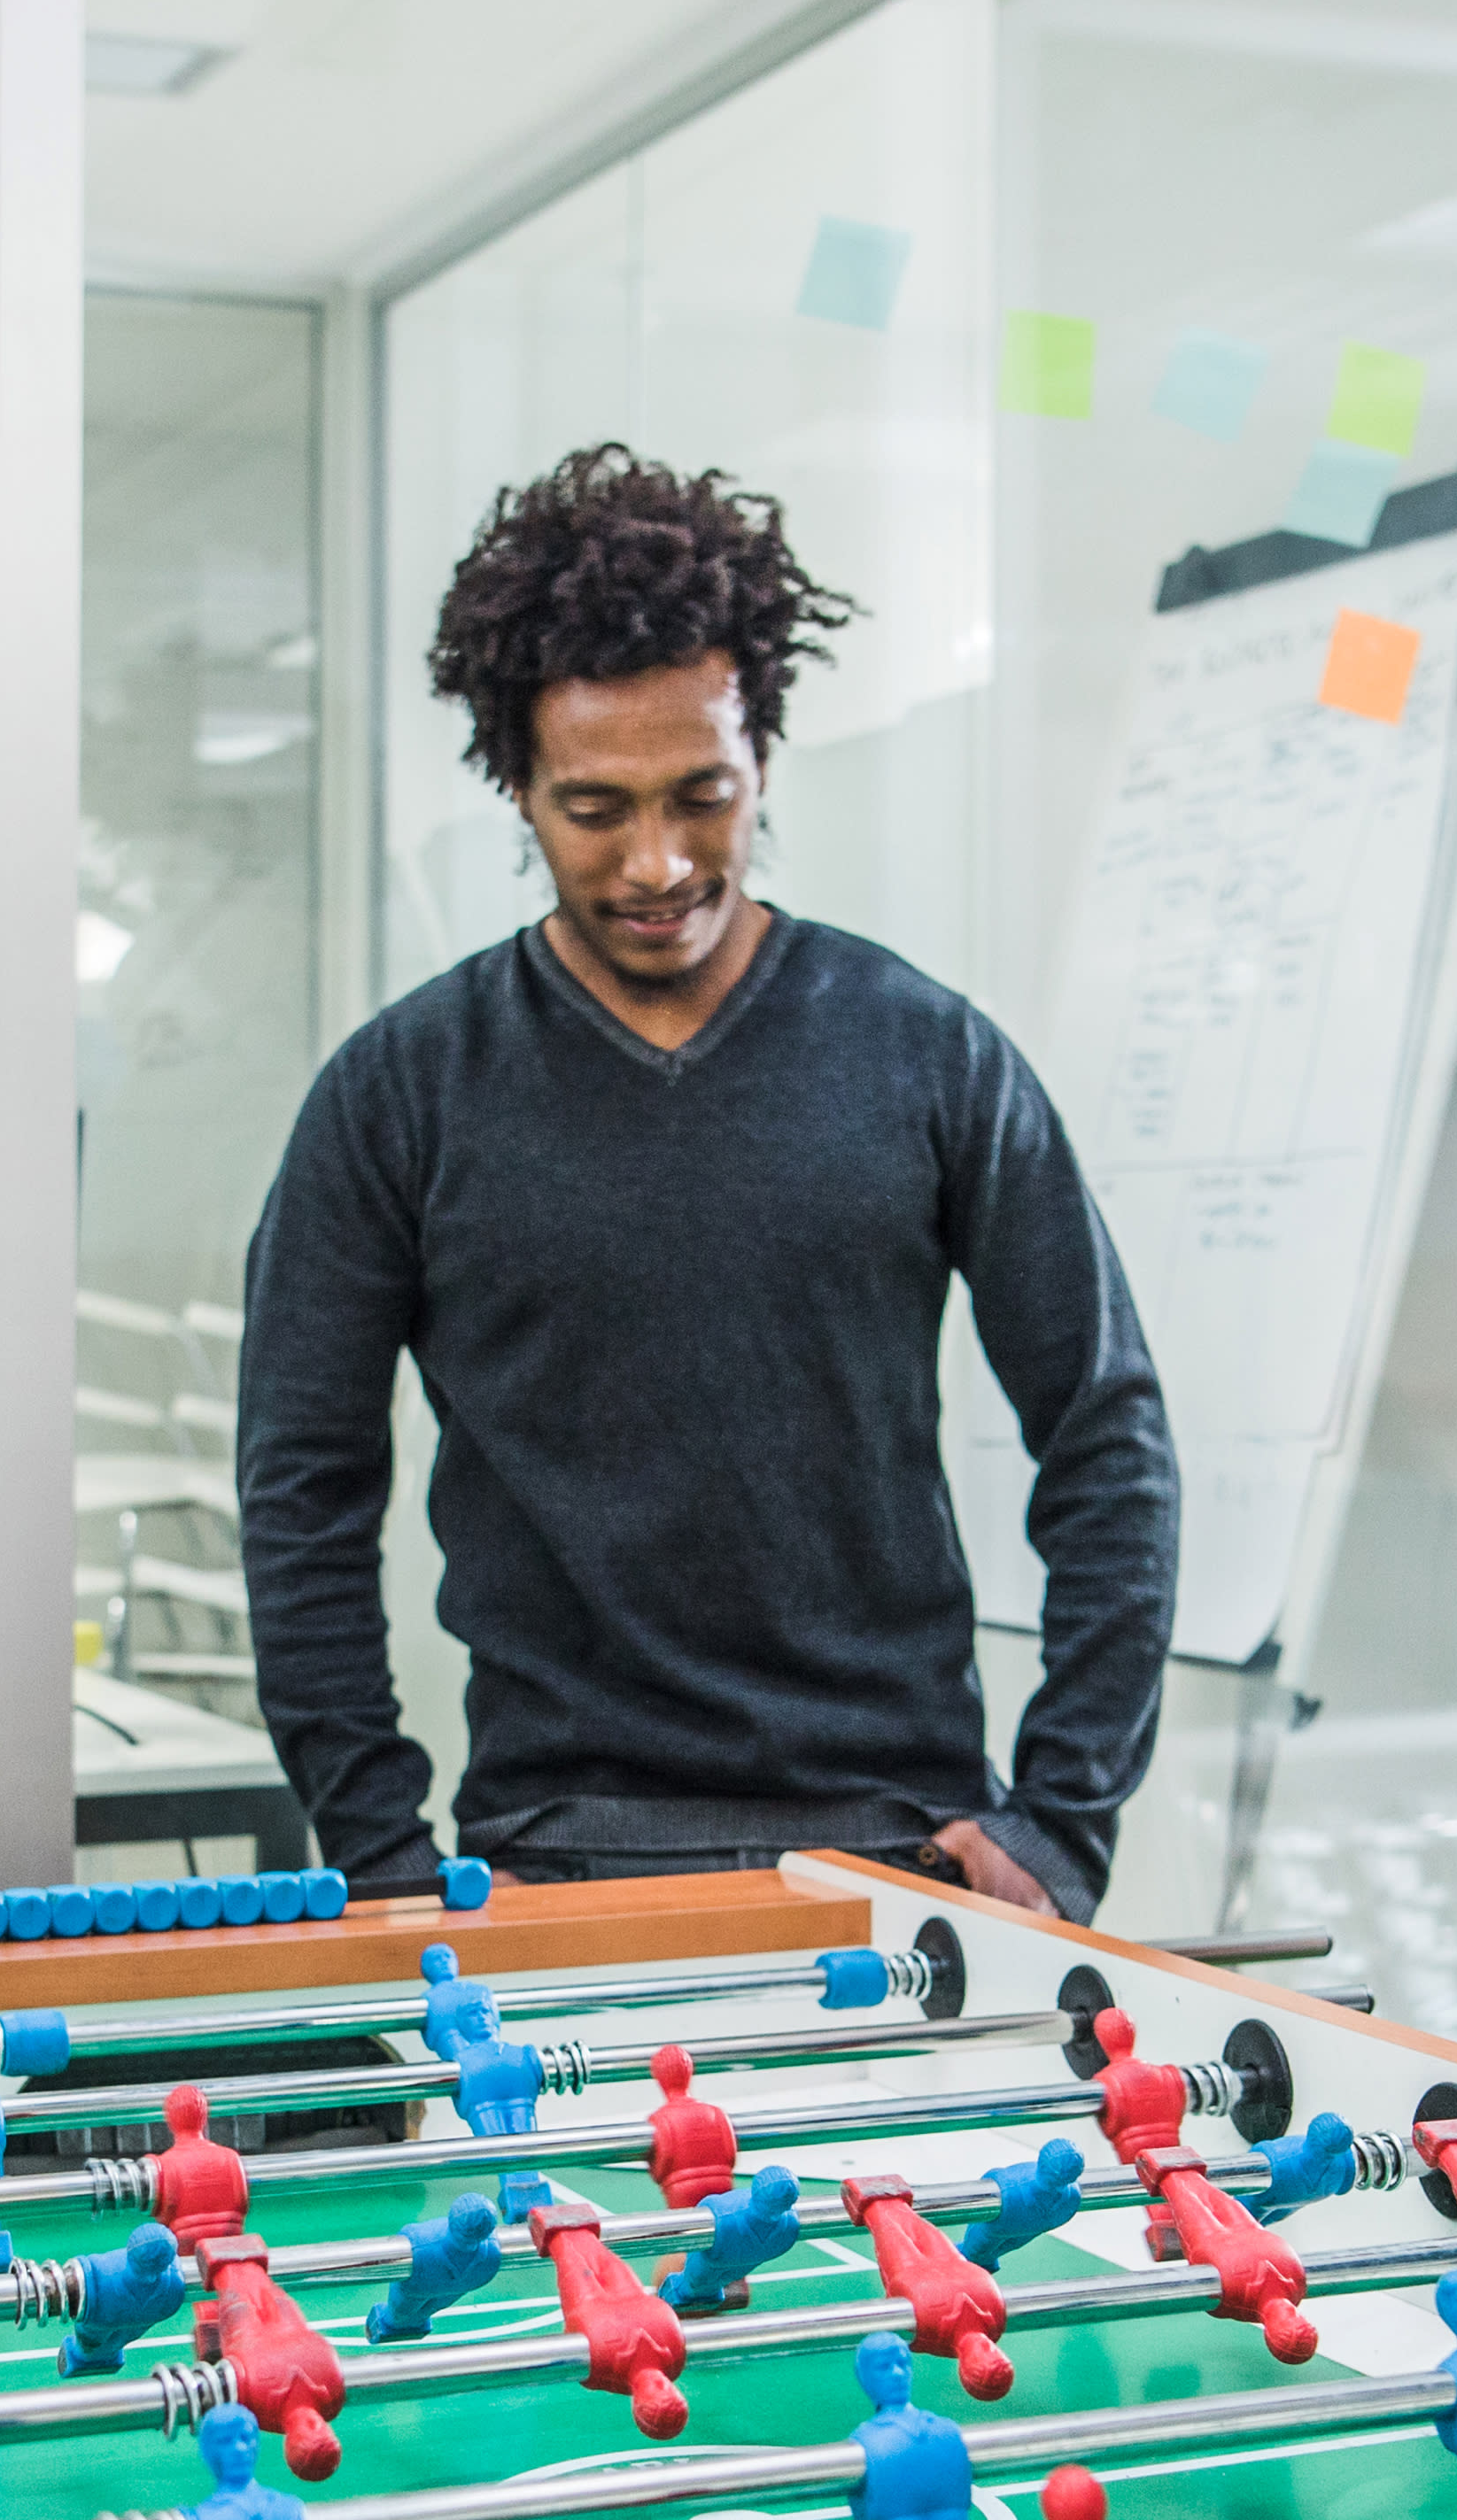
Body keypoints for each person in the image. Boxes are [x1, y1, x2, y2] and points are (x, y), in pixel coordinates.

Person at [234, 444, 1179, 1920]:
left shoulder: (926, 1056)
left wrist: (1063, 1816)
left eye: (704, 797)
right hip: (554, 1857)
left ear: (761, 760)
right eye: (594, 810)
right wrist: (380, 1857)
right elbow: (301, 1492)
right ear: (517, 788)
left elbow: (1106, 1428)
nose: (660, 862)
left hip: (904, 1848)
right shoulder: (401, 1094)